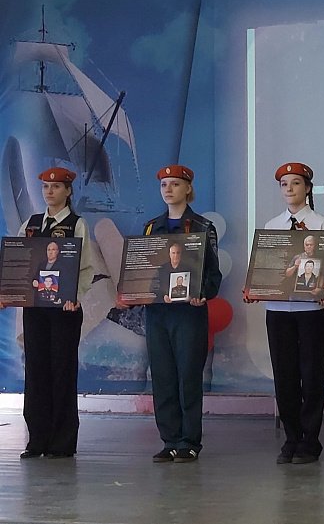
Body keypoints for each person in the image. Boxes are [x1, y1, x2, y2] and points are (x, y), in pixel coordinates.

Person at [0, 167, 92, 459]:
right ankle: (36, 440)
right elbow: (16, 261)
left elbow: (86, 268)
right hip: (36, 310)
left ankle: (62, 442)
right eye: (45, 187)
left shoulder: (77, 225)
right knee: (36, 371)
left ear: (68, 191)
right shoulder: (31, 224)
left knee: (62, 371)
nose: (49, 191)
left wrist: (75, 297)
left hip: (65, 310)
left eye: (56, 187)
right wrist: (8, 292)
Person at [245, 162, 324, 465]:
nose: (290, 189)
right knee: (284, 375)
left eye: (295, 183)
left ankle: (311, 440)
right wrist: (255, 286)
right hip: (278, 310)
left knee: (312, 375)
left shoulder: (322, 224)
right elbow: (267, 269)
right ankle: (292, 438)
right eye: (284, 184)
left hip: (311, 310)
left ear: (307, 188)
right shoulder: (272, 226)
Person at [136, 165, 222, 463]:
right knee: (162, 377)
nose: (168, 189)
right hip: (158, 314)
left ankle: (189, 441)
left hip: (188, 314)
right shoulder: (151, 228)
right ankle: (169, 439)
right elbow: (143, 273)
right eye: (164, 185)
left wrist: (203, 293)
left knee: (188, 376)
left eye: (175, 184)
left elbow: (213, 274)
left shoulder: (202, 227)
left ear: (188, 188)